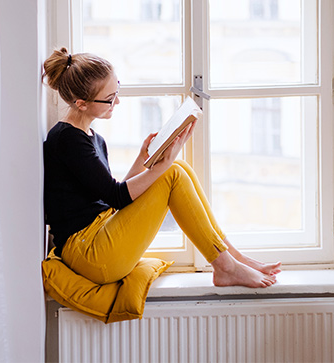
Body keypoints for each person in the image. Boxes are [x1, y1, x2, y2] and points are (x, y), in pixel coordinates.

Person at [42, 48, 280, 288]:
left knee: (179, 167)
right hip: (89, 254)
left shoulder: (92, 137)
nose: (118, 101)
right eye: (110, 97)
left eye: (117, 91)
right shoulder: (67, 139)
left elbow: (108, 197)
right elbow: (116, 196)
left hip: (97, 235)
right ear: (81, 104)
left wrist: (142, 158)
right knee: (172, 172)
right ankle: (226, 266)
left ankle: (233, 258)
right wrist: (161, 166)